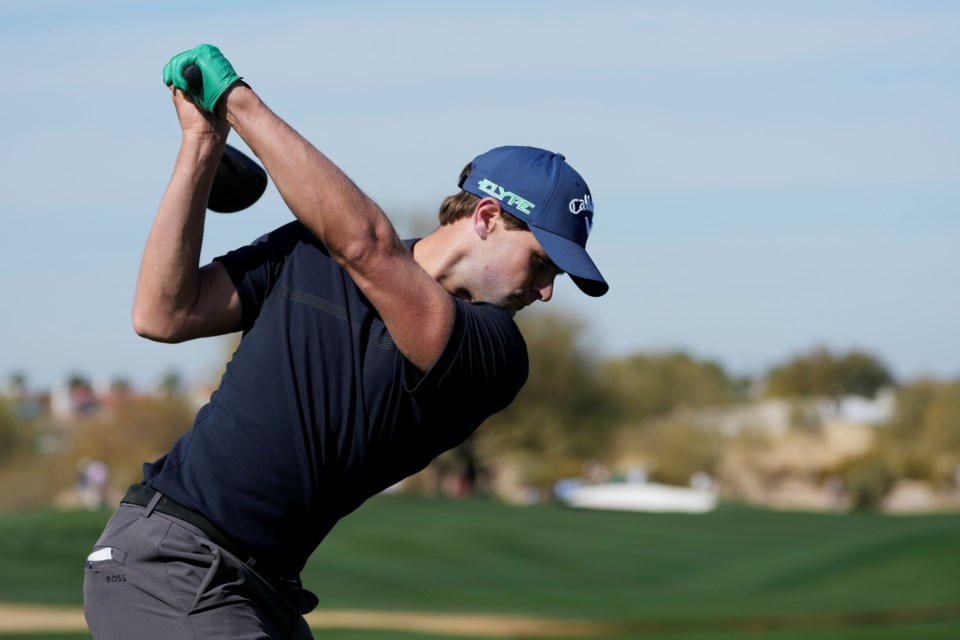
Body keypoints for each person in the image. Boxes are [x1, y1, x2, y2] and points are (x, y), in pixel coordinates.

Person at [83, 44, 608, 640]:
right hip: (173, 558)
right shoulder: (311, 250)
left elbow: (367, 248)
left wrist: (238, 101)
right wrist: (200, 146)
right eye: (542, 264)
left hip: (261, 592)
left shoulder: (496, 354)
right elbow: (162, 313)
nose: (544, 292)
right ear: (487, 217)